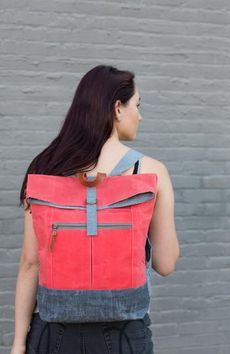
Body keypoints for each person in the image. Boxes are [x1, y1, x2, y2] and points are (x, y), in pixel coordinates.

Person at [11, 64, 180, 354]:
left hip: (54, 333)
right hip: (124, 332)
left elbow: (30, 262)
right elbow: (165, 264)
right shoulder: (150, 172)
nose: (139, 116)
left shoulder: (46, 168)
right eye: (136, 106)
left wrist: (18, 344)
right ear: (117, 108)